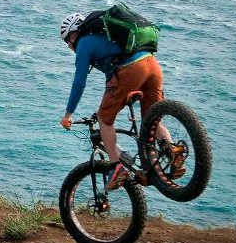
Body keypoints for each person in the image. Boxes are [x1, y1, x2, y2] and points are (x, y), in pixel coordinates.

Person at [58, 12, 183, 189]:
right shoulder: (107, 37)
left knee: (104, 120)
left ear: (72, 35)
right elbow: (112, 79)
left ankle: (116, 168)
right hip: (151, 65)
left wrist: (68, 114)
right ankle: (172, 151)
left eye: (67, 42)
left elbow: (79, 83)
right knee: (153, 120)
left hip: (130, 70)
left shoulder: (84, 44)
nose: (69, 47)